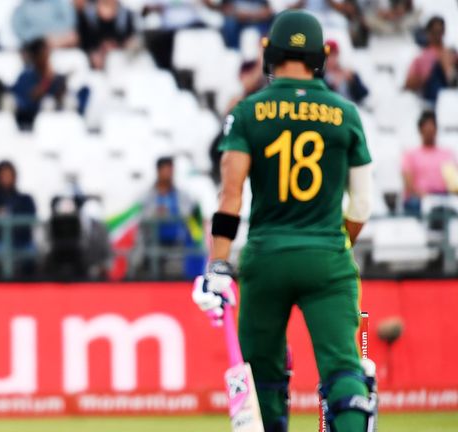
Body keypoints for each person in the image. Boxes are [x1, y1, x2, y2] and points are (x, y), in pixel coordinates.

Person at [192, 10, 376, 432]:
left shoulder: (249, 112)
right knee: (344, 372)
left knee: (263, 381)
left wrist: (218, 266)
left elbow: (231, 194)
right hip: (327, 259)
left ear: (271, 55)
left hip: (266, 259)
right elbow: (362, 204)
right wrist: (335, 242)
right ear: (319, 57)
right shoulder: (344, 113)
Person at [139, 157, 200, 278]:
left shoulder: (182, 195)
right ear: (159, 171)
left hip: (177, 243)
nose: (169, 174)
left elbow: (188, 214)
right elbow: (142, 217)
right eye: (166, 170)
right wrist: (156, 213)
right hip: (153, 242)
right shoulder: (147, 196)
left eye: (171, 170)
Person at [0, 160, 37, 275]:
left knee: (31, 252)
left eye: (9, 175)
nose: (6, 179)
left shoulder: (25, 199)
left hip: (22, 242)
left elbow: (31, 219)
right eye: (3, 175)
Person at [402, 111, 457, 216]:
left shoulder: (447, 154)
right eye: (426, 128)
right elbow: (409, 185)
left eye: (432, 127)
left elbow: (454, 180)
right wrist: (424, 195)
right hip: (420, 197)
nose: (430, 131)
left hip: (443, 196)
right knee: (416, 204)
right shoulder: (410, 154)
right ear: (420, 130)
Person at [12, 38, 67, 129]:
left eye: (48, 53)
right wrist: (47, 80)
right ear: (35, 57)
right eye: (44, 54)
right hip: (27, 124)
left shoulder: (56, 78)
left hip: (53, 126)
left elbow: (60, 99)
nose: (47, 57)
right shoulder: (25, 76)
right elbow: (30, 99)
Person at [77, 0, 137, 69]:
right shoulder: (87, 15)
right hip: (92, 63)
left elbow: (131, 40)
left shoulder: (126, 15)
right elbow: (83, 41)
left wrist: (116, 47)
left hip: (120, 60)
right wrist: (93, 55)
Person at [12, 0, 79, 48]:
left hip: (62, 46)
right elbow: (21, 32)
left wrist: (54, 38)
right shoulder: (22, 8)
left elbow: (70, 25)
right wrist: (44, 40)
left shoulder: (59, 3)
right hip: (36, 50)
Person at [405, 16, 446, 94]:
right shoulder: (421, 58)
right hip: (432, 87)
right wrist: (424, 78)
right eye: (435, 32)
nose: (438, 36)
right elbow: (408, 83)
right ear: (428, 33)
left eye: (440, 32)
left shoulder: (451, 53)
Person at [323, 39, 369, 104]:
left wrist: (353, 81)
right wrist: (334, 85)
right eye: (327, 55)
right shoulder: (319, 75)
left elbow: (363, 94)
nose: (330, 59)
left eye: (333, 55)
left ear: (337, 55)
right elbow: (323, 97)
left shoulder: (347, 72)